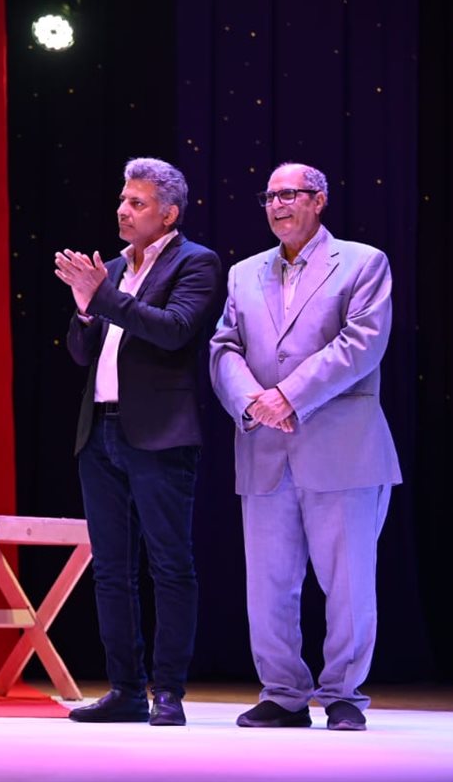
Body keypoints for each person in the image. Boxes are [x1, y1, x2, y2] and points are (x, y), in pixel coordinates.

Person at [210, 162, 401, 732]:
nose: (277, 204)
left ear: (318, 200)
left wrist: (288, 395)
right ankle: (284, 694)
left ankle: (343, 694)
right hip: (265, 446)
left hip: (343, 448)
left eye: (289, 194)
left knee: (347, 582)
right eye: (269, 196)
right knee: (268, 584)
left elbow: (361, 344)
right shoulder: (244, 273)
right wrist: (251, 401)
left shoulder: (363, 262)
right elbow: (224, 346)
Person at [54, 157, 221, 726]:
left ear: (168, 214)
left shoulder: (196, 262)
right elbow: (82, 353)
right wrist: (84, 310)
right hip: (99, 429)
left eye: (137, 203)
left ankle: (167, 690)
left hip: (159, 433)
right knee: (111, 569)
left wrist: (101, 295)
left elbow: (174, 331)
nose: (123, 210)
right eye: (123, 200)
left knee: (169, 565)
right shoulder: (110, 269)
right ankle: (124, 689)